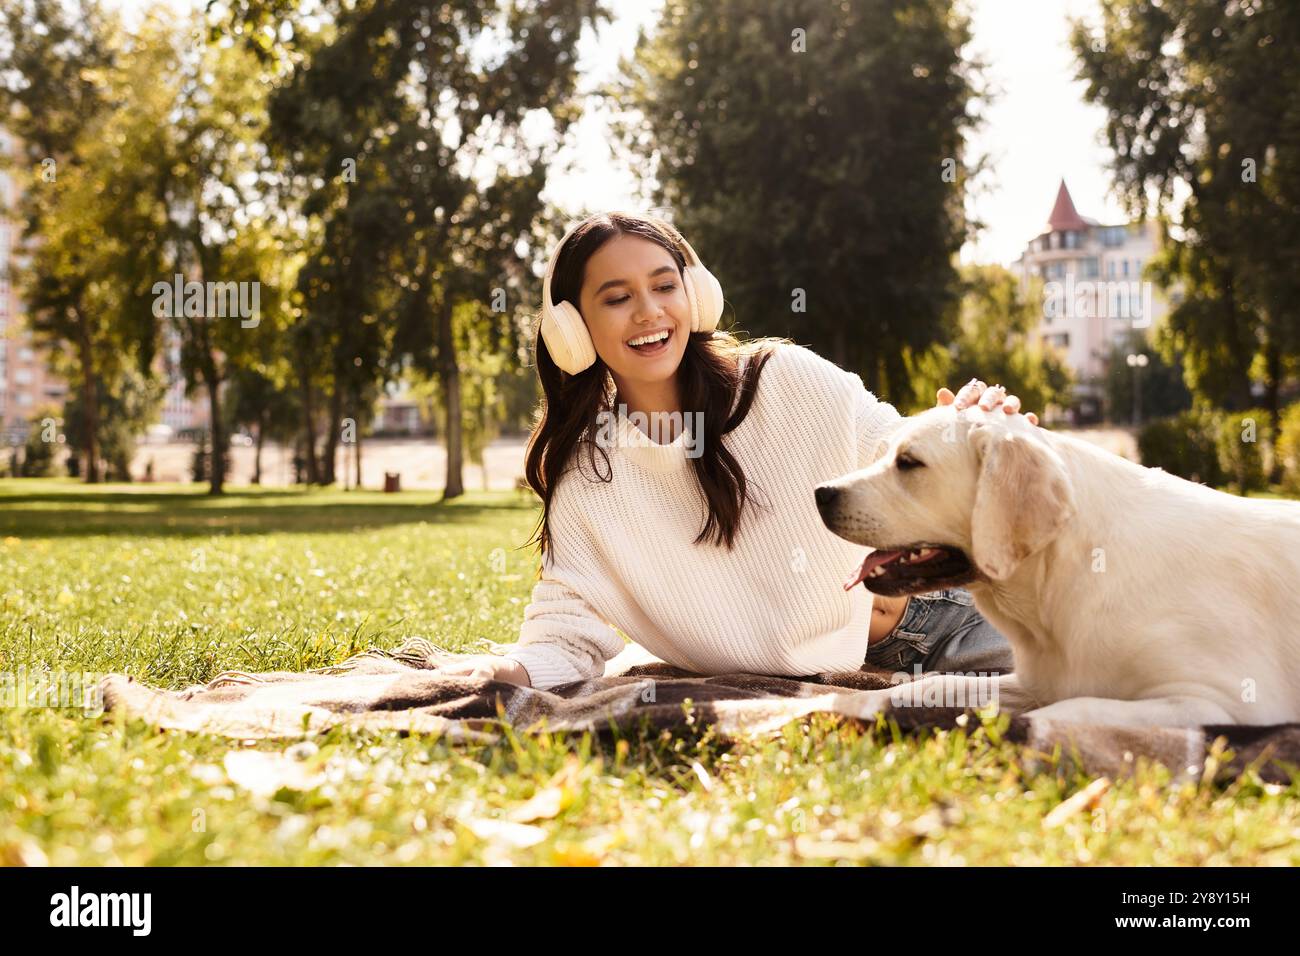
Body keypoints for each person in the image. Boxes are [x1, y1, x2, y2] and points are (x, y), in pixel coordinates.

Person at [435, 211, 1036, 689]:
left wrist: (968, 428)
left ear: (695, 295)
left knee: (1114, 673)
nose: (648, 311)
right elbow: (566, 632)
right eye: (616, 298)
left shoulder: (784, 378)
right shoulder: (589, 479)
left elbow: (893, 443)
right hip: (864, 671)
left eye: (664, 286)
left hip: (955, 613)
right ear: (573, 329)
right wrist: (507, 674)